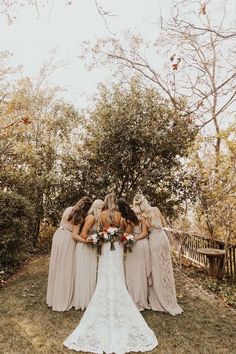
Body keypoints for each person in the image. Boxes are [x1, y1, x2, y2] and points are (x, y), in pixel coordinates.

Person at [64, 193, 158, 353]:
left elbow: (101, 232)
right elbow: (126, 234)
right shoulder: (121, 215)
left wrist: (103, 235)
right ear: (116, 202)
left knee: (104, 276)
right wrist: (121, 236)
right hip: (118, 248)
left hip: (107, 249)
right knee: (117, 276)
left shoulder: (101, 215)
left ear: (106, 202)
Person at [133, 194, 183, 316]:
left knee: (156, 268)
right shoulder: (156, 209)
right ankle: (169, 297)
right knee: (165, 268)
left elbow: (145, 231)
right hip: (163, 238)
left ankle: (159, 298)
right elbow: (163, 223)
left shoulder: (142, 216)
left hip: (154, 242)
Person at [46, 196, 92, 312]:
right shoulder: (79, 217)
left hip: (58, 235)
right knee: (65, 268)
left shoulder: (68, 209)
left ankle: (52, 299)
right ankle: (61, 300)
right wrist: (88, 241)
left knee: (57, 266)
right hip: (67, 240)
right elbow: (74, 235)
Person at [118, 198, 151, 311]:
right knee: (138, 273)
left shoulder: (126, 220)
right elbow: (145, 233)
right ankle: (140, 299)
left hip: (135, 246)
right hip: (139, 245)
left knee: (133, 273)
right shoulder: (138, 216)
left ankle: (135, 300)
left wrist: (132, 239)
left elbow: (143, 233)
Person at [72, 199, 104, 310]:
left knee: (88, 273)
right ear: (98, 208)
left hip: (89, 248)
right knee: (85, 273)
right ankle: (84, 301)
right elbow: (83, 234)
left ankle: (88, 299)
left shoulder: (93, 218)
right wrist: (93, 240)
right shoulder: (91, 218)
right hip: (85, 248)